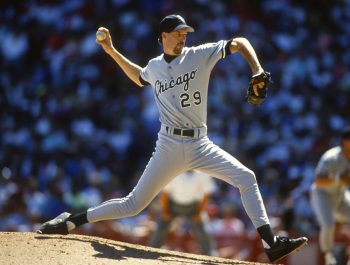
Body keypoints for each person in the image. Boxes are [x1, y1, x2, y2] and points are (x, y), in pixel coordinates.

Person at [37, 14, 307, 263]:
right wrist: (111, 51)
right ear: (163, 36)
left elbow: (239, 42)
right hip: (168, 145)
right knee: (133, 205)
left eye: (185, 33)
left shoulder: (199, 55)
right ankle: (71, 221)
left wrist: (257, 70)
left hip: (201, 144)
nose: (183, 37)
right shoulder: (154, 66)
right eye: (178, 33)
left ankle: (271, 243)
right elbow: (139, 77)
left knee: (247, 178)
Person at [149, 170, 216, 255]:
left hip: (194, 206)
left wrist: (199, 212)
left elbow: (207, 193)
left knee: (204, 230)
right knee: (160, 228)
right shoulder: (173, 169)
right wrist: (165, 211)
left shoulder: (203, 172)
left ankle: (211, 255)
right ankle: (151, 251)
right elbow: (165, 192)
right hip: (173, 205)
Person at [310, 126, 350, 265]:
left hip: (341, 196)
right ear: (343, 141)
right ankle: (329, 257)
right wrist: (339, 179)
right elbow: (318, 180)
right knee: (328, 225)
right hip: (322, 195)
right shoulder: (332, 156)